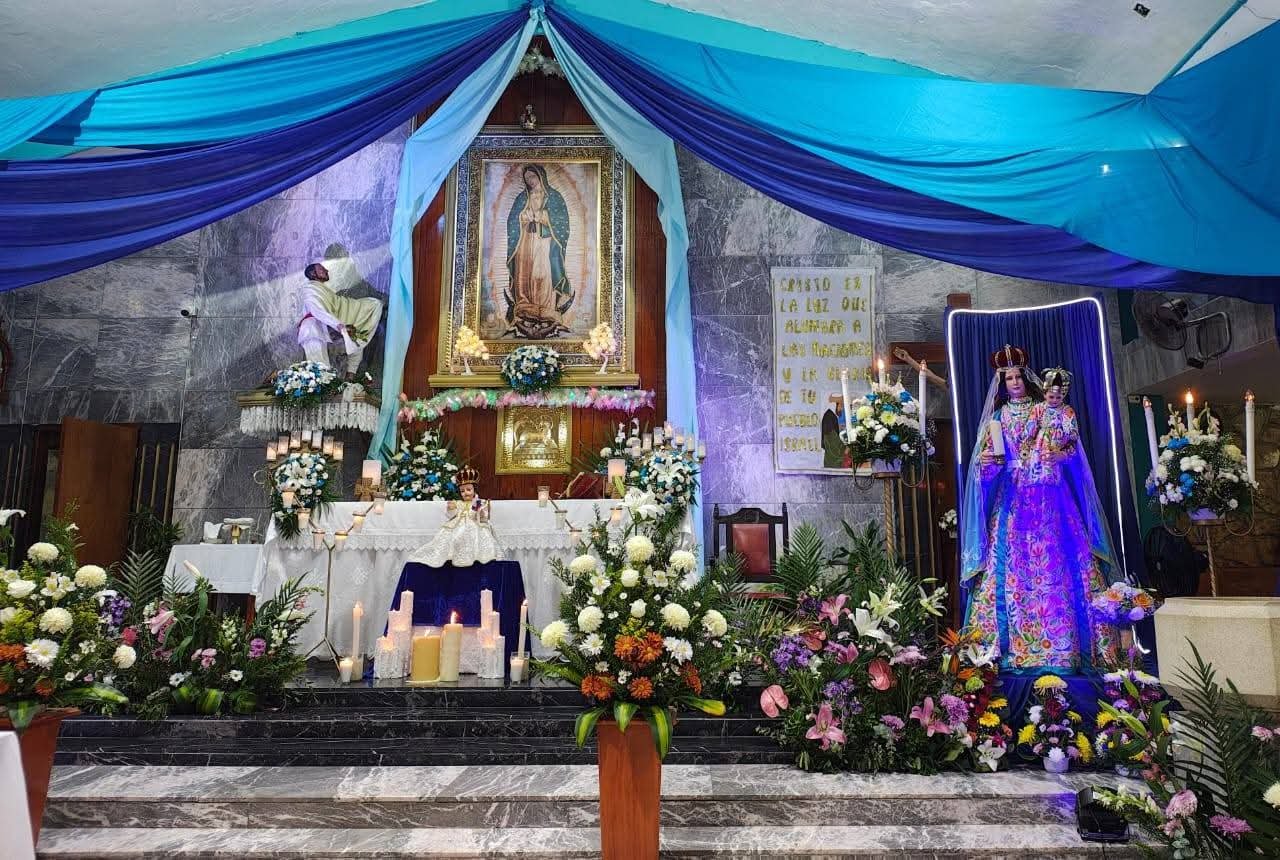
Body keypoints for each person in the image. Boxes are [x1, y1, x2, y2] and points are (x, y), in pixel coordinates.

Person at [960, 349, 1122, 672]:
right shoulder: (998, 419)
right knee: (1007, 570)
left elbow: (1067, 443)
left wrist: (1058, 455)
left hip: (1048, 497)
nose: (1015, 381)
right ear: (1002, 382)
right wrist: (988, 464)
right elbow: (993, 465)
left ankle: (1064, 648)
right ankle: (1006, 651)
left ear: (1026, 378)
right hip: (1012, 502)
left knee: (1059, 565)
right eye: (1009, 378)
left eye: (1019, 376)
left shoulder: (1043, 410)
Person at [505, 164, 573, 339]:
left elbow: (562, 222)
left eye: (532, 177)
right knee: (524, 272)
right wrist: (523, 217)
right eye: (527, 179)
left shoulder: (554, 197)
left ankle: (546, 308)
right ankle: (524, 304)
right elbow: (513, 219)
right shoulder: (522, 198)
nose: (530, 181)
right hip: (525, 240)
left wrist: (544, 217)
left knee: (542, 274)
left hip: (545, 241)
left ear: (541, 177)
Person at [297, 257, 383, 378]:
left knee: (355, 339)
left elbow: (341, 305)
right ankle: (320, 389)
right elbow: (317, 309)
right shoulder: (311, 289)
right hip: (312, 330)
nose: (326, 270)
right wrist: (338, 325)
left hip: (325, 329)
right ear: (313, 274)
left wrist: (368, 306)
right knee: (319, 372)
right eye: (321, 269)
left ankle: (349, 378)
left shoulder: (325, 291)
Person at [410, 467, 504, 567]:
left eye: (468, 489)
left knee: (472, 535)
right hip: (457, 525)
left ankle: (476, 555)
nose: (465, 493)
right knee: (452, 537)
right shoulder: (458, 503)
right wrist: (451, 509)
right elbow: (451, 515)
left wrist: (478, 509)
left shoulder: (480, 502)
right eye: (462, 491)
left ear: (474, 490)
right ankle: (451, 555)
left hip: (475, 525)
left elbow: (483, 518)